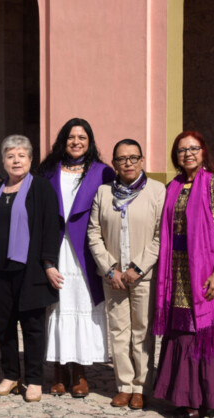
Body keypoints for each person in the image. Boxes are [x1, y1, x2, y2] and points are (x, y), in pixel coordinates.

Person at [152, 131, 214, 418]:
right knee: (180, 329)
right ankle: (183, 396)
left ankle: (206, 397)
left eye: (193, 148)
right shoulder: (173, 186)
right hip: (176, 270)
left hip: (206, 270)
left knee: (203, 331)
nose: (187, 154)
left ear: (204, 151)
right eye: (181, 150)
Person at [36, 117, 115, 398]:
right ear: (63, 140)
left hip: (85, 252)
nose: (76, 142)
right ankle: (58, 370)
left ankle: (80, 371)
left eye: (82, 137)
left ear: (89, 141)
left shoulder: (103, 173)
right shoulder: (47, 171)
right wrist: (44, 260)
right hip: (54, 250)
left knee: (82, 306)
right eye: (71, 137)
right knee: (56, 308)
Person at [0, 135, 61, 403]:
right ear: (3, 161)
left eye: (21, 155)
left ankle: (35, 380)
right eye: (10, 156)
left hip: (30, 271)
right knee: (3, 325)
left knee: (33, 327)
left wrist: (49, 263)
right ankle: (11, 375)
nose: (16, 160)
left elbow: (51, 227)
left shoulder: (41, 188)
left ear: (30, 159)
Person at [87, 138, 165, 410]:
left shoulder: (157, 191)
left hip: (143, 274)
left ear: (142, 160)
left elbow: (160, 235)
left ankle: (141, 386)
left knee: (142, 330)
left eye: (133, 157)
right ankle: (124, 385)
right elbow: (93, 233)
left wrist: (139, 267)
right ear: (114, 164)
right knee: (119, 330)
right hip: (114, 276)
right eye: (121, 159)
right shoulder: (103, 193)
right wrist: (110, 268)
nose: (128, 163)